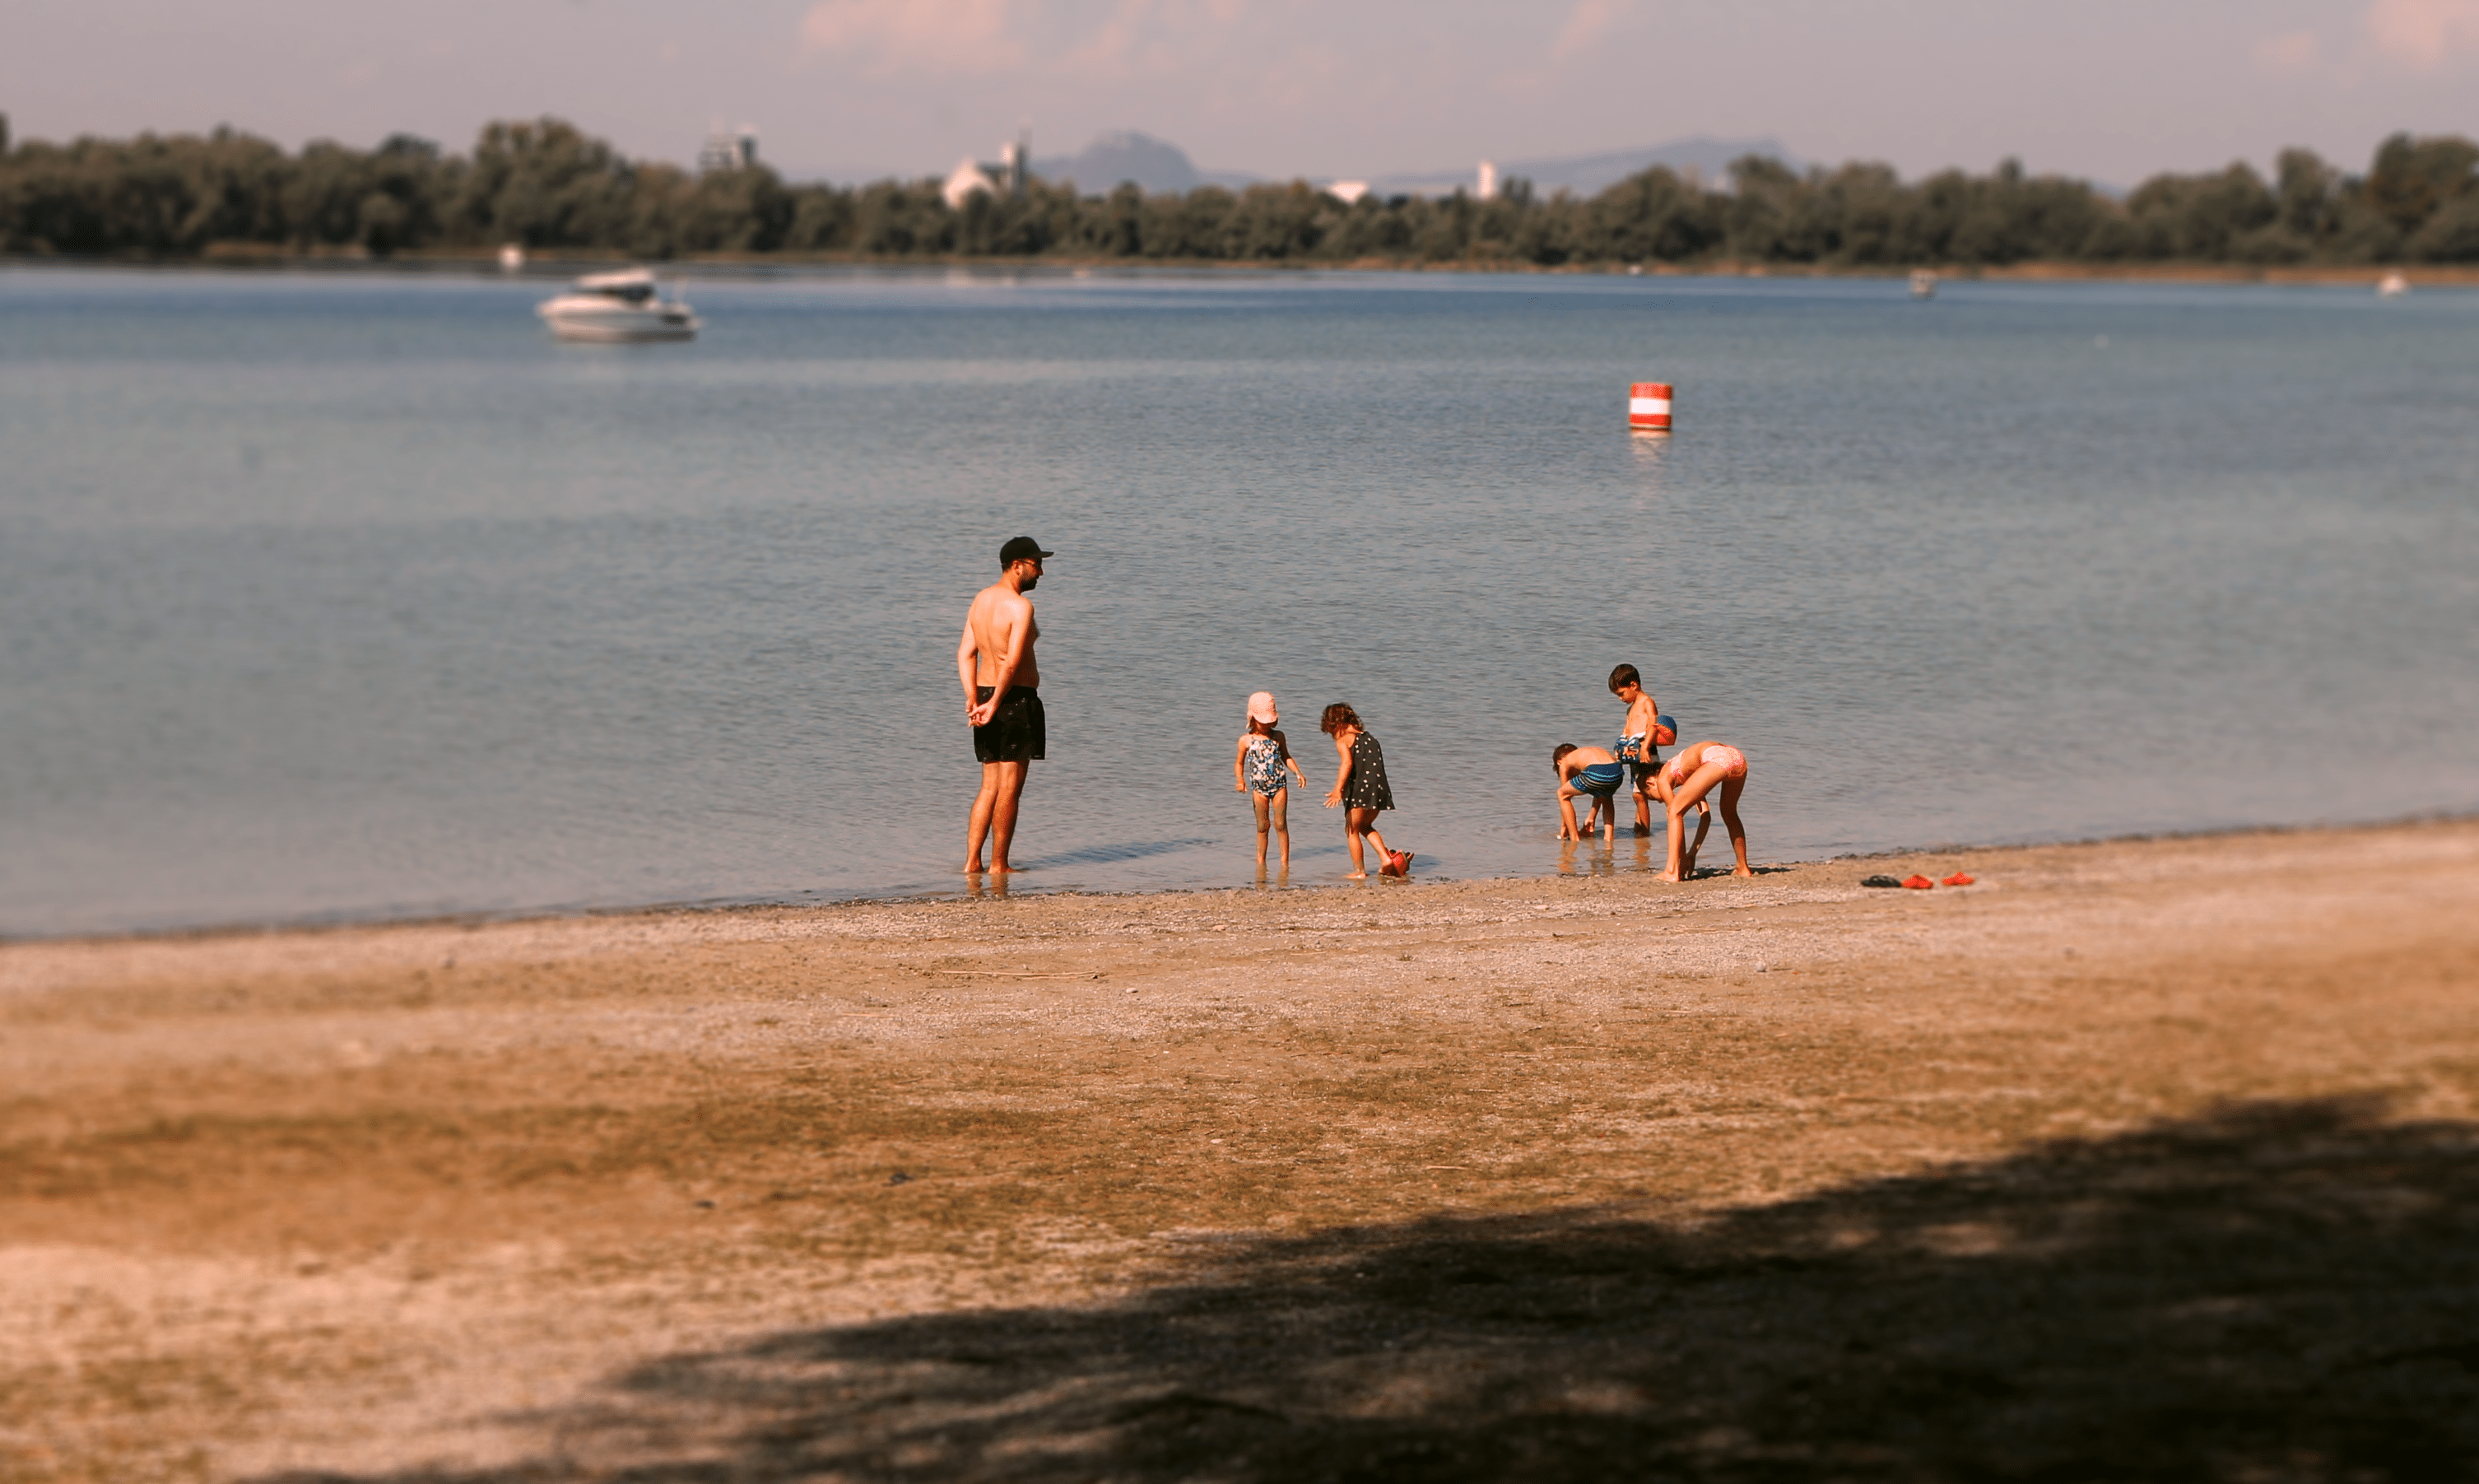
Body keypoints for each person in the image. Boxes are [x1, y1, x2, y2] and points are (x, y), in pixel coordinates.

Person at [956, 536, 1051, 874]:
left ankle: (971, 863)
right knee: (1009, 789)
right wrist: (996, 703)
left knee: (989, 786)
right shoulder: (1021, 607)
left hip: (984, 696)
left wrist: (974, 698)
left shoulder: (980, 600)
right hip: (1013, 700)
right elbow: (1011, 663)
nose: (1040, 572)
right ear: (1017, 566)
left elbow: (966, 653)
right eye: (1036, 564)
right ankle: (999, 865)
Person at [1320, 702, 1411, 878]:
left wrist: (1338, 789)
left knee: (1351, 830)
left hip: (1359, 792)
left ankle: (1359, 871)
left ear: (1336, 724)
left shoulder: (1343, 740)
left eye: (1331, 731)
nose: (1333, 737)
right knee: (1365, 826)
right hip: (1379, 791)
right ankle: (1386, 859)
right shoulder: (1371, 739)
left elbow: (1347, 763)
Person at [1648, 738, 1751, 882]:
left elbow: (1675, 814)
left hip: (1717, 759)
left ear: (1650, 783)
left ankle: (1671, 871)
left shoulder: (1662, 778)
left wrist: (1681, 859)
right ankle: (1743, 868)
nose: (1658, 801)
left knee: (1674, 811)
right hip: (1736, 757)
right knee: (1729, 813)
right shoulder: (1687, 772)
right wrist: (1691, 854)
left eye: (1651, 797)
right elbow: (1705, 816)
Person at [1232, 691, 1308, 872]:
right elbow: (1239, 762)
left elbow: (1286, 757)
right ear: (1252, 719)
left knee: (1281, 825)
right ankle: (1261, 862)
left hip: (1279, 786)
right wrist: (1240, 779)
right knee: (1262, 826)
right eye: (1262, 721)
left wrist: (1298, 772)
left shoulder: (1278, 737)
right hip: (1258, 789)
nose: (1266, 725)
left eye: (1269, 721)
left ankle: (1284, 862)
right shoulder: (1246, 741)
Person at [1608, 663, 1672, 835]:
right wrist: (1620, 748)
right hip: (1633, 754)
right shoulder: (1631, 709)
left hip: (1646, 752)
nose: (1620, 698)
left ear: (1634, 686)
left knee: (1640, 794)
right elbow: (1627, 730)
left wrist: (1645, 747)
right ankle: (1639, 830)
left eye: (1621, 694)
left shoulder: (1646, 702)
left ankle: (1646, 831)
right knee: (1639, 793)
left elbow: (1653, 724)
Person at [1552, 742, 1626, 843]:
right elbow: (1599, 789)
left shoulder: (1564, 763)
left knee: (1562, 794)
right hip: (1617, 772)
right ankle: (1609, 838)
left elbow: (1565, 797)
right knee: (1606, 796)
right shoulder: (1587, 752)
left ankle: (1574, 838)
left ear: (1559, 761)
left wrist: (1564, 828)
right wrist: (1592, 817)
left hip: (1596, 771)